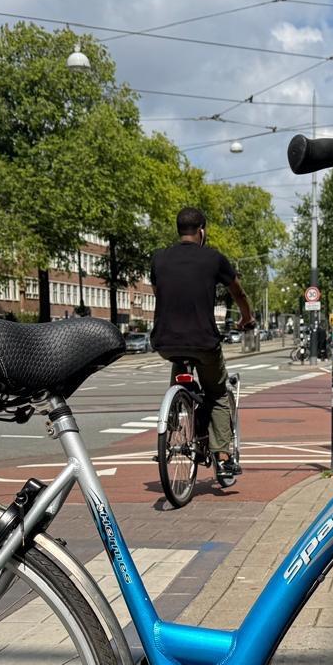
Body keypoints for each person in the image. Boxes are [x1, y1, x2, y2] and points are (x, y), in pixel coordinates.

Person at [149, 207, 255, 484]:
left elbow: (159, 292)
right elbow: (238, 291)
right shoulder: (213, 258)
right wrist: (247, 317)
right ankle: (223, 457)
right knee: (218, 393)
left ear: (178, 230)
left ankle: (171, 424)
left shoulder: (159, 259)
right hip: (203, 341)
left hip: (165, 342)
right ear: (202, 231)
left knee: (179, 367)